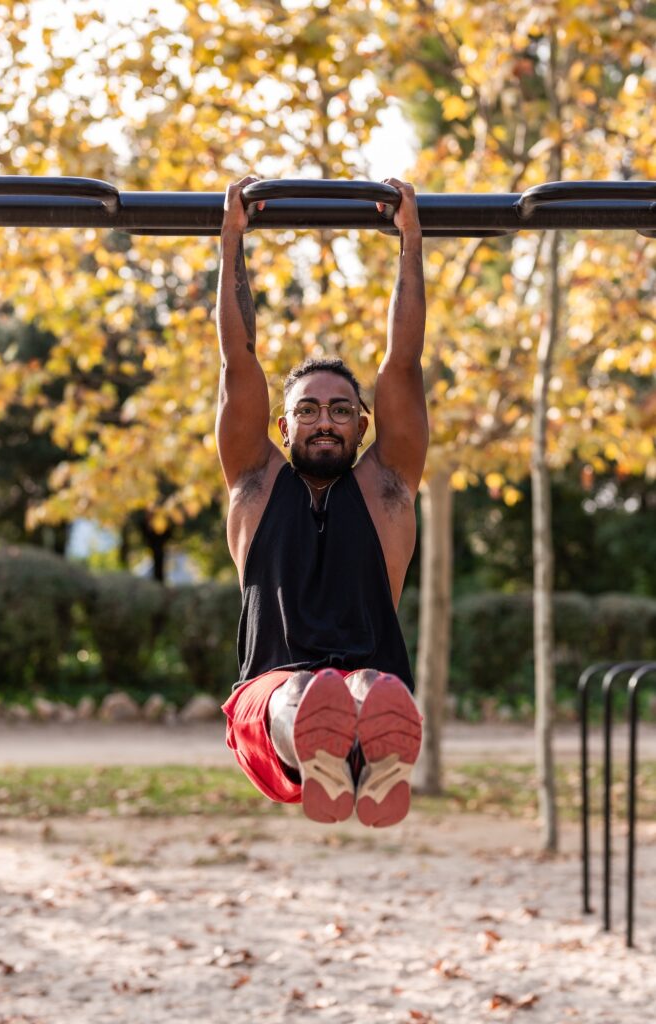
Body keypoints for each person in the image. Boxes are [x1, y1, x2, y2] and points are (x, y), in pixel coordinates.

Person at [216, 175, 428, 828]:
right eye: (307, 410)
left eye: (341, 409)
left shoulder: (387, 488)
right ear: (283, 429)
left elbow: (403, 365)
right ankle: (331, 751)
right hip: (272, 707)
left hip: (367, 699)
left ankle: (368, 750)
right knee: (306, 692)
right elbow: (237, 360)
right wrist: (230, 242)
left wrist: (411, 243)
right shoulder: (254, 482)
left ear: (363, 425)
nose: (325, 421)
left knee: (366, 688)